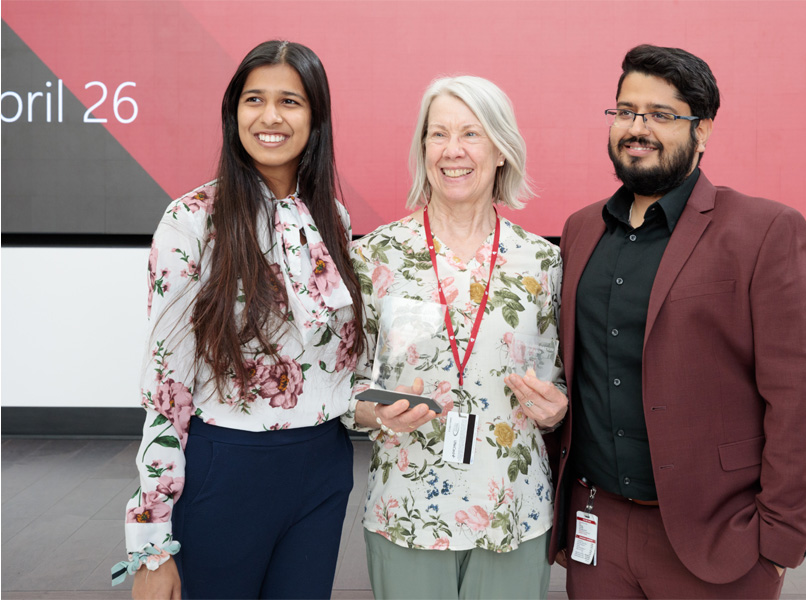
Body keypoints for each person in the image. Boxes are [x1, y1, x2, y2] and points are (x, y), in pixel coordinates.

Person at [512, 44, 806, 599]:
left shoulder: (763, 230)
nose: (637, 128)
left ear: (703, 130)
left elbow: (804, 396)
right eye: (626, 111)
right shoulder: (581, 229)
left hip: (719, 535)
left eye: (661, 114)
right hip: (597, 527)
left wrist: (779, 540)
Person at [113, 40, 365, 599]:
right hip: (228, 468)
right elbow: (166, 387)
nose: (270, 116)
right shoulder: (191, 220)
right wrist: (152, 541)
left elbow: (341, 362)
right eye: (254, 99)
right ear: (234, 113)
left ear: (315, 117)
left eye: (290, 102)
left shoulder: (334, 220)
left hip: (323, 467)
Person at [344, 75, 568, 599]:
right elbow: (343, 382)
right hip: (407, 506)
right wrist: (374, 412)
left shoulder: (543, 262)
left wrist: (557, 410)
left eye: (471, 134)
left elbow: (560, 381)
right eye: (437, 134)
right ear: (423, 148)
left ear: (500, 151)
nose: (452, 150)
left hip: (512, 508)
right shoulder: (376, 256)